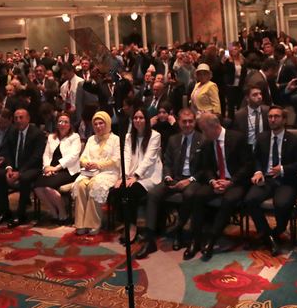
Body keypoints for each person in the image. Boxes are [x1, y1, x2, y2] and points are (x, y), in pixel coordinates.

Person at [183, 112, 250, 262]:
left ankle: (212, 240)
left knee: (229, 200)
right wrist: (213, 181)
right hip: (217, 180)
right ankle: (196, 239)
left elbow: (247, 166)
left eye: (204, 130)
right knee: (198, 196)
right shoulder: (208, 142)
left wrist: (231, 182)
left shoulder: (237, 138)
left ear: (214, 127)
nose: (203, 134)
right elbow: (206, 167)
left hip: (236, 182)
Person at [136, 108, 202, 258]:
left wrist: (190, 180)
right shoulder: (173, 139)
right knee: (153, 194)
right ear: (178, 122)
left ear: (195, 122)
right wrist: (167, 177)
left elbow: (205, 168)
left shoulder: (202, 139)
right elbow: (167, 163)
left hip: (193, 180)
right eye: (184, 122)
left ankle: (179, 231)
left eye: (190, 121)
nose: (187, 125)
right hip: (174, 178)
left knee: (189, 194)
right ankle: (150, 239)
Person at [243, 106, 297, 255]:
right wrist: (258, 171)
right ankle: (267, 235)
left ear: (284, 120)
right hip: (266, 179)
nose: (272, 119)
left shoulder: (294, 140)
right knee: (250, 199)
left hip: (286, 180)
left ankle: (277, 231)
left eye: (276, 116)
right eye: (270, 117)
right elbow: (256, 159)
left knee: (282, 203)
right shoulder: (262, 137)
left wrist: (283, 169)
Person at [109, 108, 163, 245]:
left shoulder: (155, 136)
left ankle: (132, 226)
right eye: (135, 118)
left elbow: (149, 159)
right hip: (131, 174)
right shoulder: (129, 136)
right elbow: (126, 157)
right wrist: (124, 176)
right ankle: (126, 222)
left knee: (131, 191)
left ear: (147, 120)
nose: (138, 120)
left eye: (141, 118)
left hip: (149, 175)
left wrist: (136, 176)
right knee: (117, 190)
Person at [73, 111, 121, 235]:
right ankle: (81, 223)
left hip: (108, 172)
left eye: (101, 123)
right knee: (80, 185)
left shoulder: (115, 139)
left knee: (94, 185)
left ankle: (93, 223)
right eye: (95, 124)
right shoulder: (91, 139)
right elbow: (83, 157)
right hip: (90, 172)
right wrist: (86, 163)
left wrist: (98, 165)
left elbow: (116, 160)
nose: (98, 126)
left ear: (107, 123)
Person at [33, 113, 82, 224]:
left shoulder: (75, 137)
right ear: (56, 124)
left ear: (70, 124)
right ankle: (54, 212)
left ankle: (63, 213)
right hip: (51, 169)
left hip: (68, 170)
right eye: (60, 121)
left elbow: (73, 156)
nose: (62, 124)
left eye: (65, 122)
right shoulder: (51, 137)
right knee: (37, 187)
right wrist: (46, 167)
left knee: (48, 188)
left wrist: (56, 168)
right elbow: (46, 154)